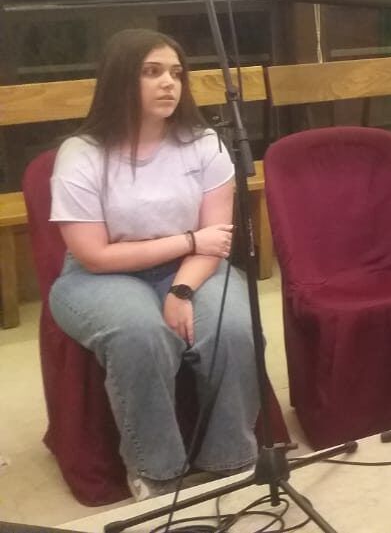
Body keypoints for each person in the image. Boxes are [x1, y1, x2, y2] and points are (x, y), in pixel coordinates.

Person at [49, 28, 258, 500]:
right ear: (121, 79)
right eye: (152, 72)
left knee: (233, 327)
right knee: (140, 333)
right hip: (101, 275)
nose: (169, 83)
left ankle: (231, 460)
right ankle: (157, 474)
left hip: (193, 266)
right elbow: (95, 254)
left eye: (176, 73)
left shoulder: (204, 143)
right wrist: (188, 240)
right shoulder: (82, 153)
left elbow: (215, 240)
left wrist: (182, 290)